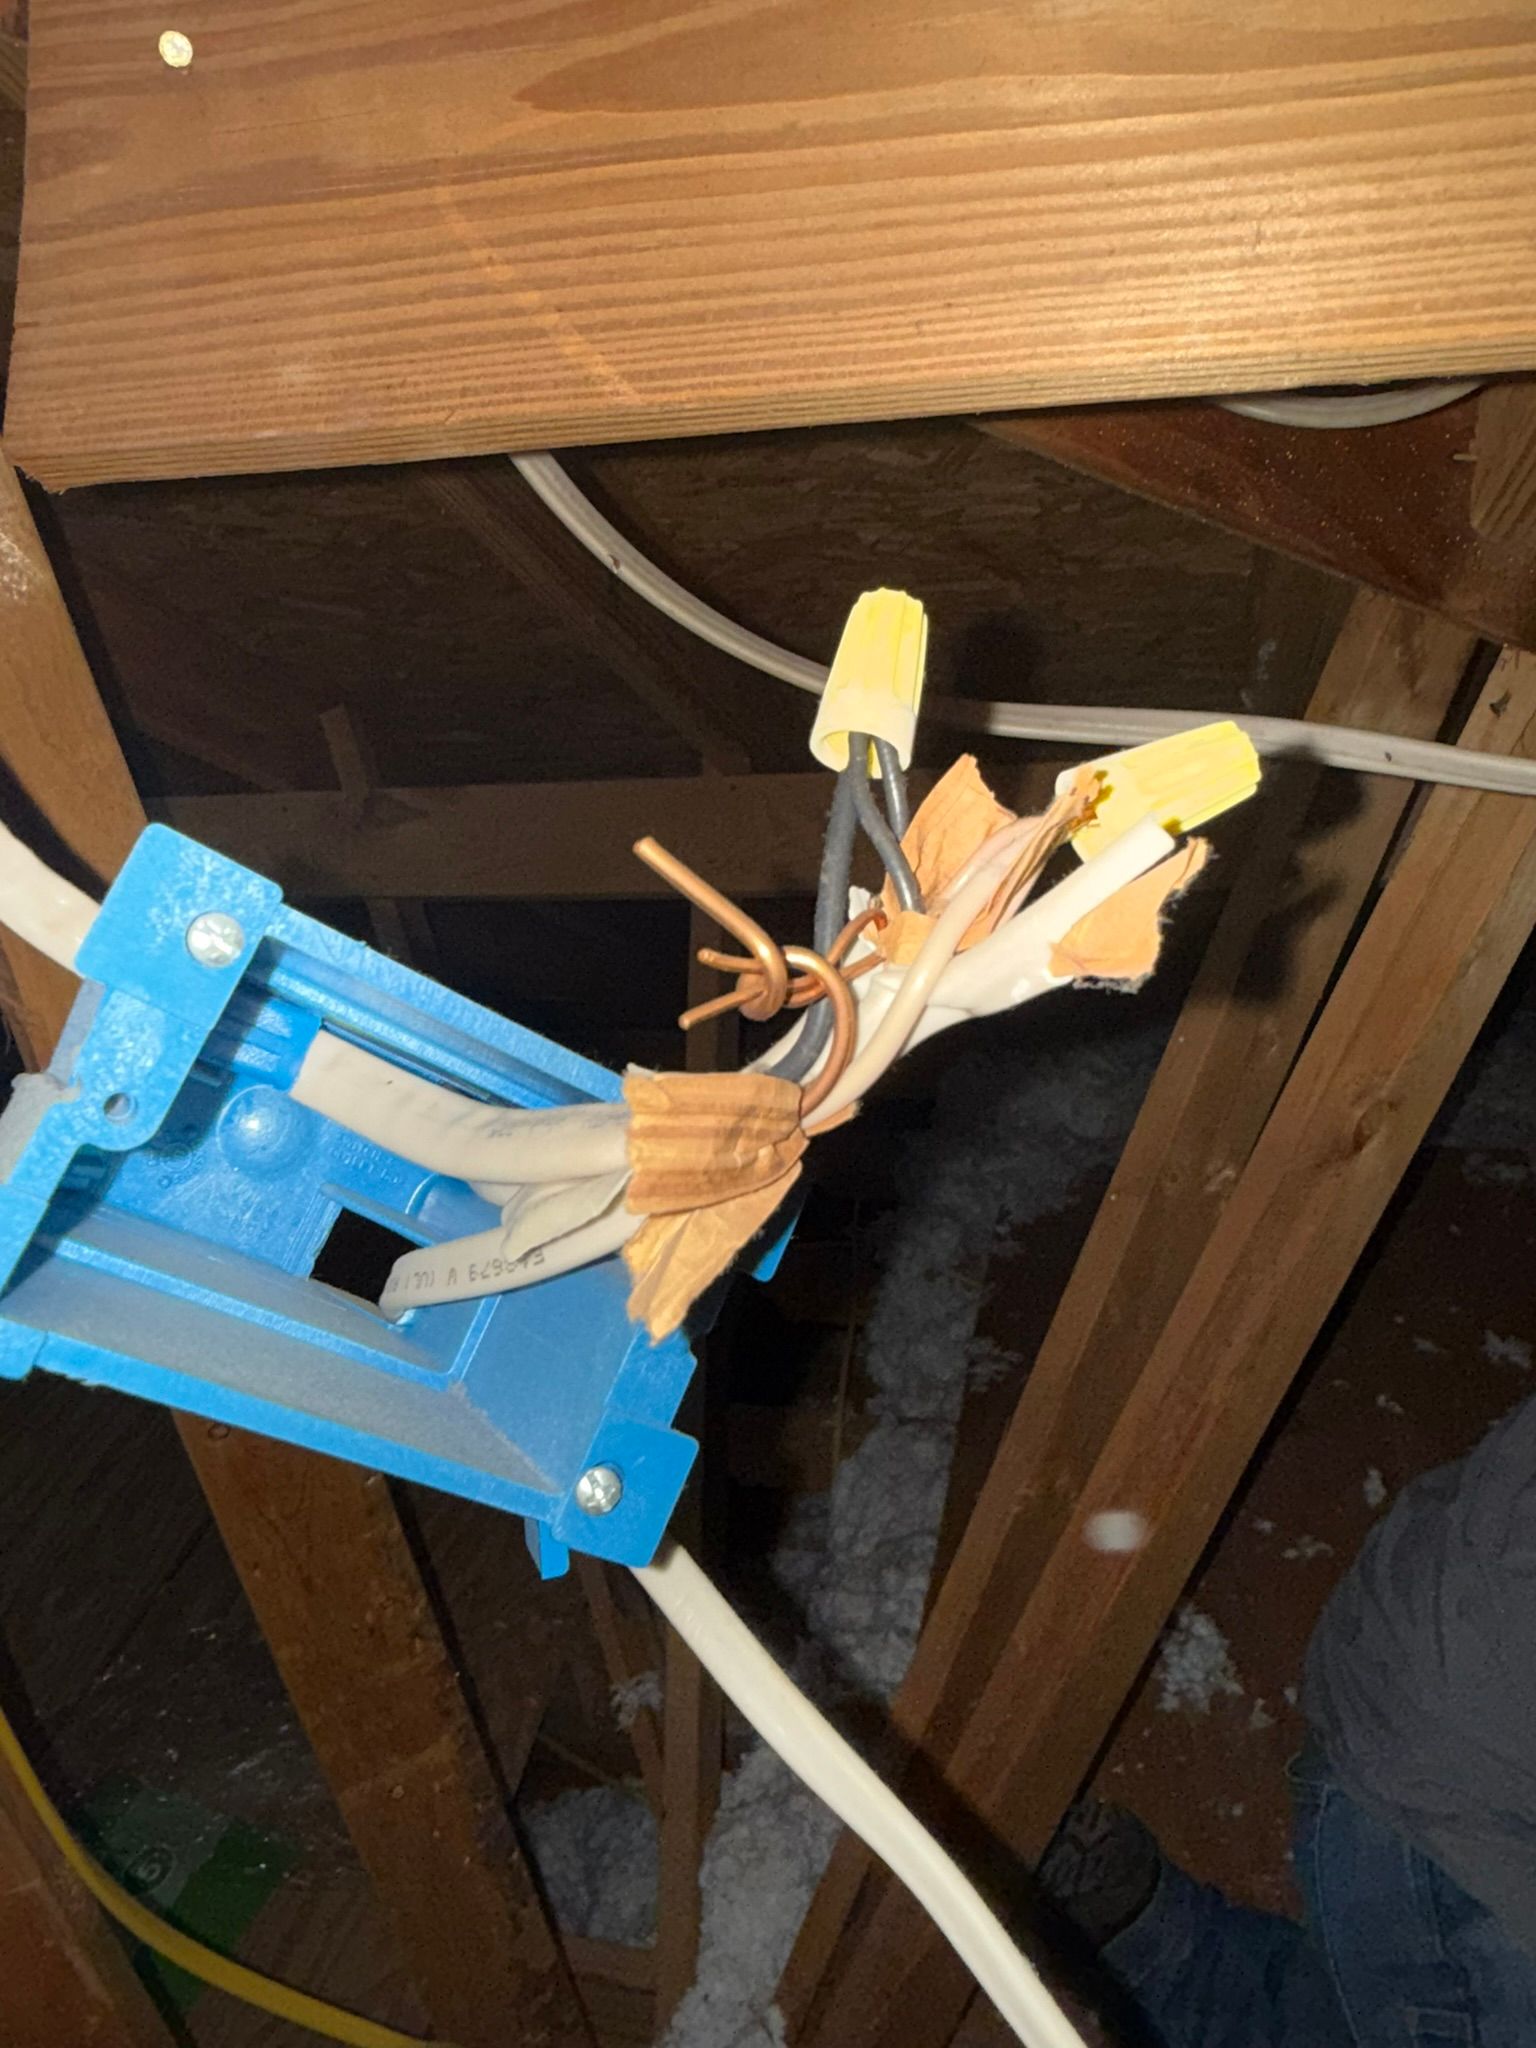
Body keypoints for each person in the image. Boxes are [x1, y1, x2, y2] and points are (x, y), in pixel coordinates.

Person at [1040, 1396, 1536, 2047]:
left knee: (1370, 1997)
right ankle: (1174, 1957)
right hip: (1451, 1800)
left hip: (1421, 1658)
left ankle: (1157, 1938)